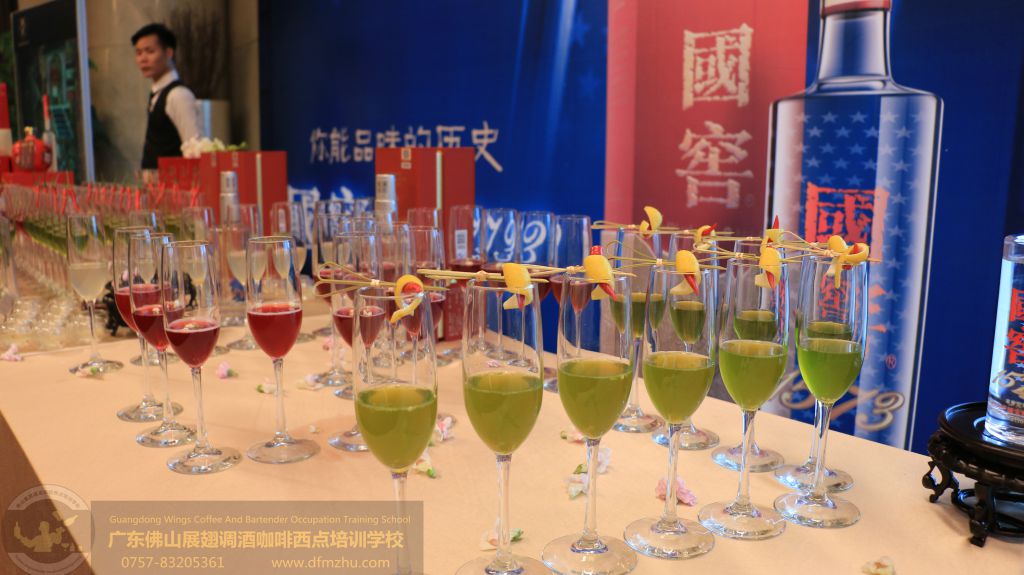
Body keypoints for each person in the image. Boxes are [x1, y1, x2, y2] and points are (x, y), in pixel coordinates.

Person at [132, 23, 200, 171]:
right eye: (139, 53)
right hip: (155, 182)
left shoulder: (178, 95)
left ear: (168, 53)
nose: (143, 59)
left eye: (150, 51)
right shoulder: (157, 91)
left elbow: (194, 150)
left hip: (173, 182)